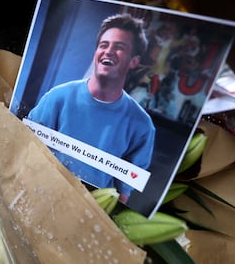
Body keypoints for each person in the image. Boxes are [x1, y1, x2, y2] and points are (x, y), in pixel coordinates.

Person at [27, 13, 156, 203]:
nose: (108, 51)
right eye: (104, 45)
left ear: (134, 61)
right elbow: (25, 148)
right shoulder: (57, 98)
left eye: (119, 47)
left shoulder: (142, 125)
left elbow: (123, 195)